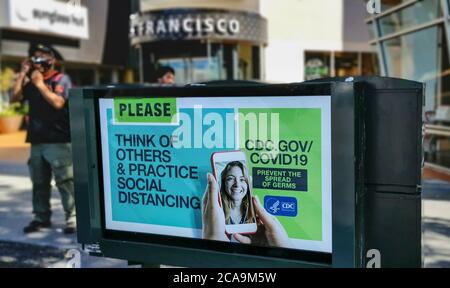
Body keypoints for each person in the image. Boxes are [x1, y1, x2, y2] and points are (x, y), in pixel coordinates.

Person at [11, 44, 76, 234]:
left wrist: (40, 84)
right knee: (39, 182)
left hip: (59, 141)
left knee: (65, 182)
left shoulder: (61, 79)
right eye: (35, 58)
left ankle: (72, 219)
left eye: (42, 57)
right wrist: (22, 74)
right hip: (37, 141)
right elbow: (14, 98)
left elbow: (58, 103)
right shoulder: (31, 81)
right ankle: (41, 217)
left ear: (52, 60)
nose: (38, 61)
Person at [202, 173, 294, 249]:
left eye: (242, 179)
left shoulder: (251, 218)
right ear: (223, 184)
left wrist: (282, 249)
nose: (237, 184)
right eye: (230, 178)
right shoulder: (223, 218)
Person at [219, 161, 255, 225]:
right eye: (231, 179)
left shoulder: (255, 212)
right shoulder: (217, 210)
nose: (237, 184)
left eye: (242, 179)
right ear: (224, 183)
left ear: (248, 184)